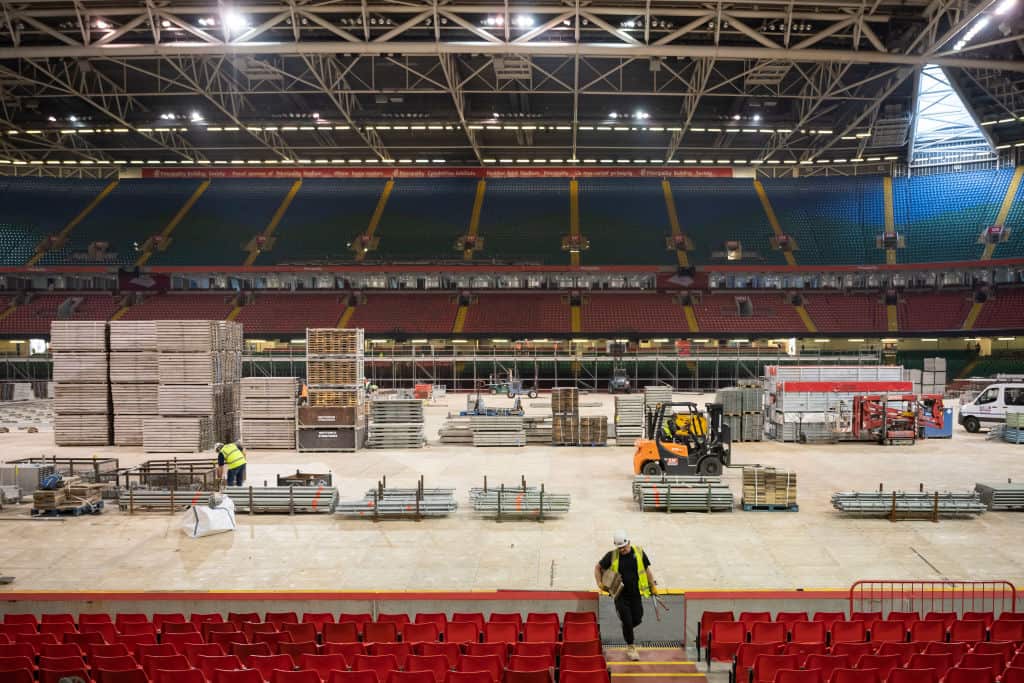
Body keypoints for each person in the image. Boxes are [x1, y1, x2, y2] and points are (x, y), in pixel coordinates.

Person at [595, 530, 658, 661]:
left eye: (624, 547)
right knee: (628, 620)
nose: (622, 550)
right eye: (619, 548)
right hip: (620, 595)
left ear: (629, 542)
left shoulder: (639, 553)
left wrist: (653, 586)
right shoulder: (611, 556)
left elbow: (646, 570)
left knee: (638, 618)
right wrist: (599, 583)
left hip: (635, 594)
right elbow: (597, 567)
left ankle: (626, 626)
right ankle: (631, 648)